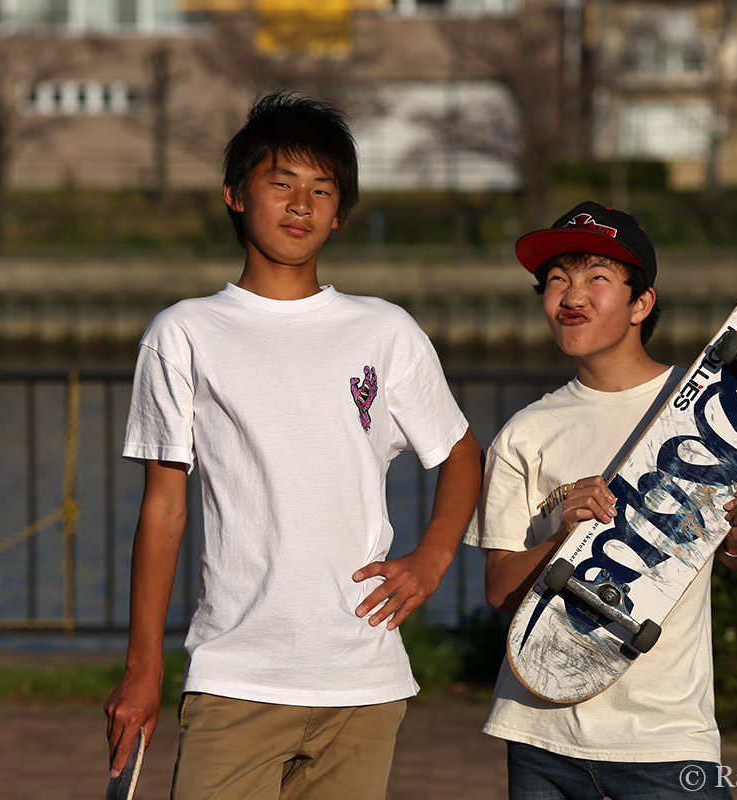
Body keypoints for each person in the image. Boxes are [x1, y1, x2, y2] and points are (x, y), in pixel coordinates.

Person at [104, 91, 482, 800]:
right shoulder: (184, 332)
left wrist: (431, 559)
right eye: (280, 183)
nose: (301, 204)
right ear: (234, 196)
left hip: (364, 681)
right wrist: (143, 668)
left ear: (339, 214)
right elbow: (164, 511)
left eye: (321, 189)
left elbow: (462, 453)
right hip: (237, 675)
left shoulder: (384, 330)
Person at [463, 201, 737, 799]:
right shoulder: (525, 433)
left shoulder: (714, 415)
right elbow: (501, 592)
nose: (571, 297)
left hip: (667, 732)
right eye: (557, 280)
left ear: (642, 303)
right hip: (540, 734)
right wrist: (564, 535)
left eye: (596, 279)